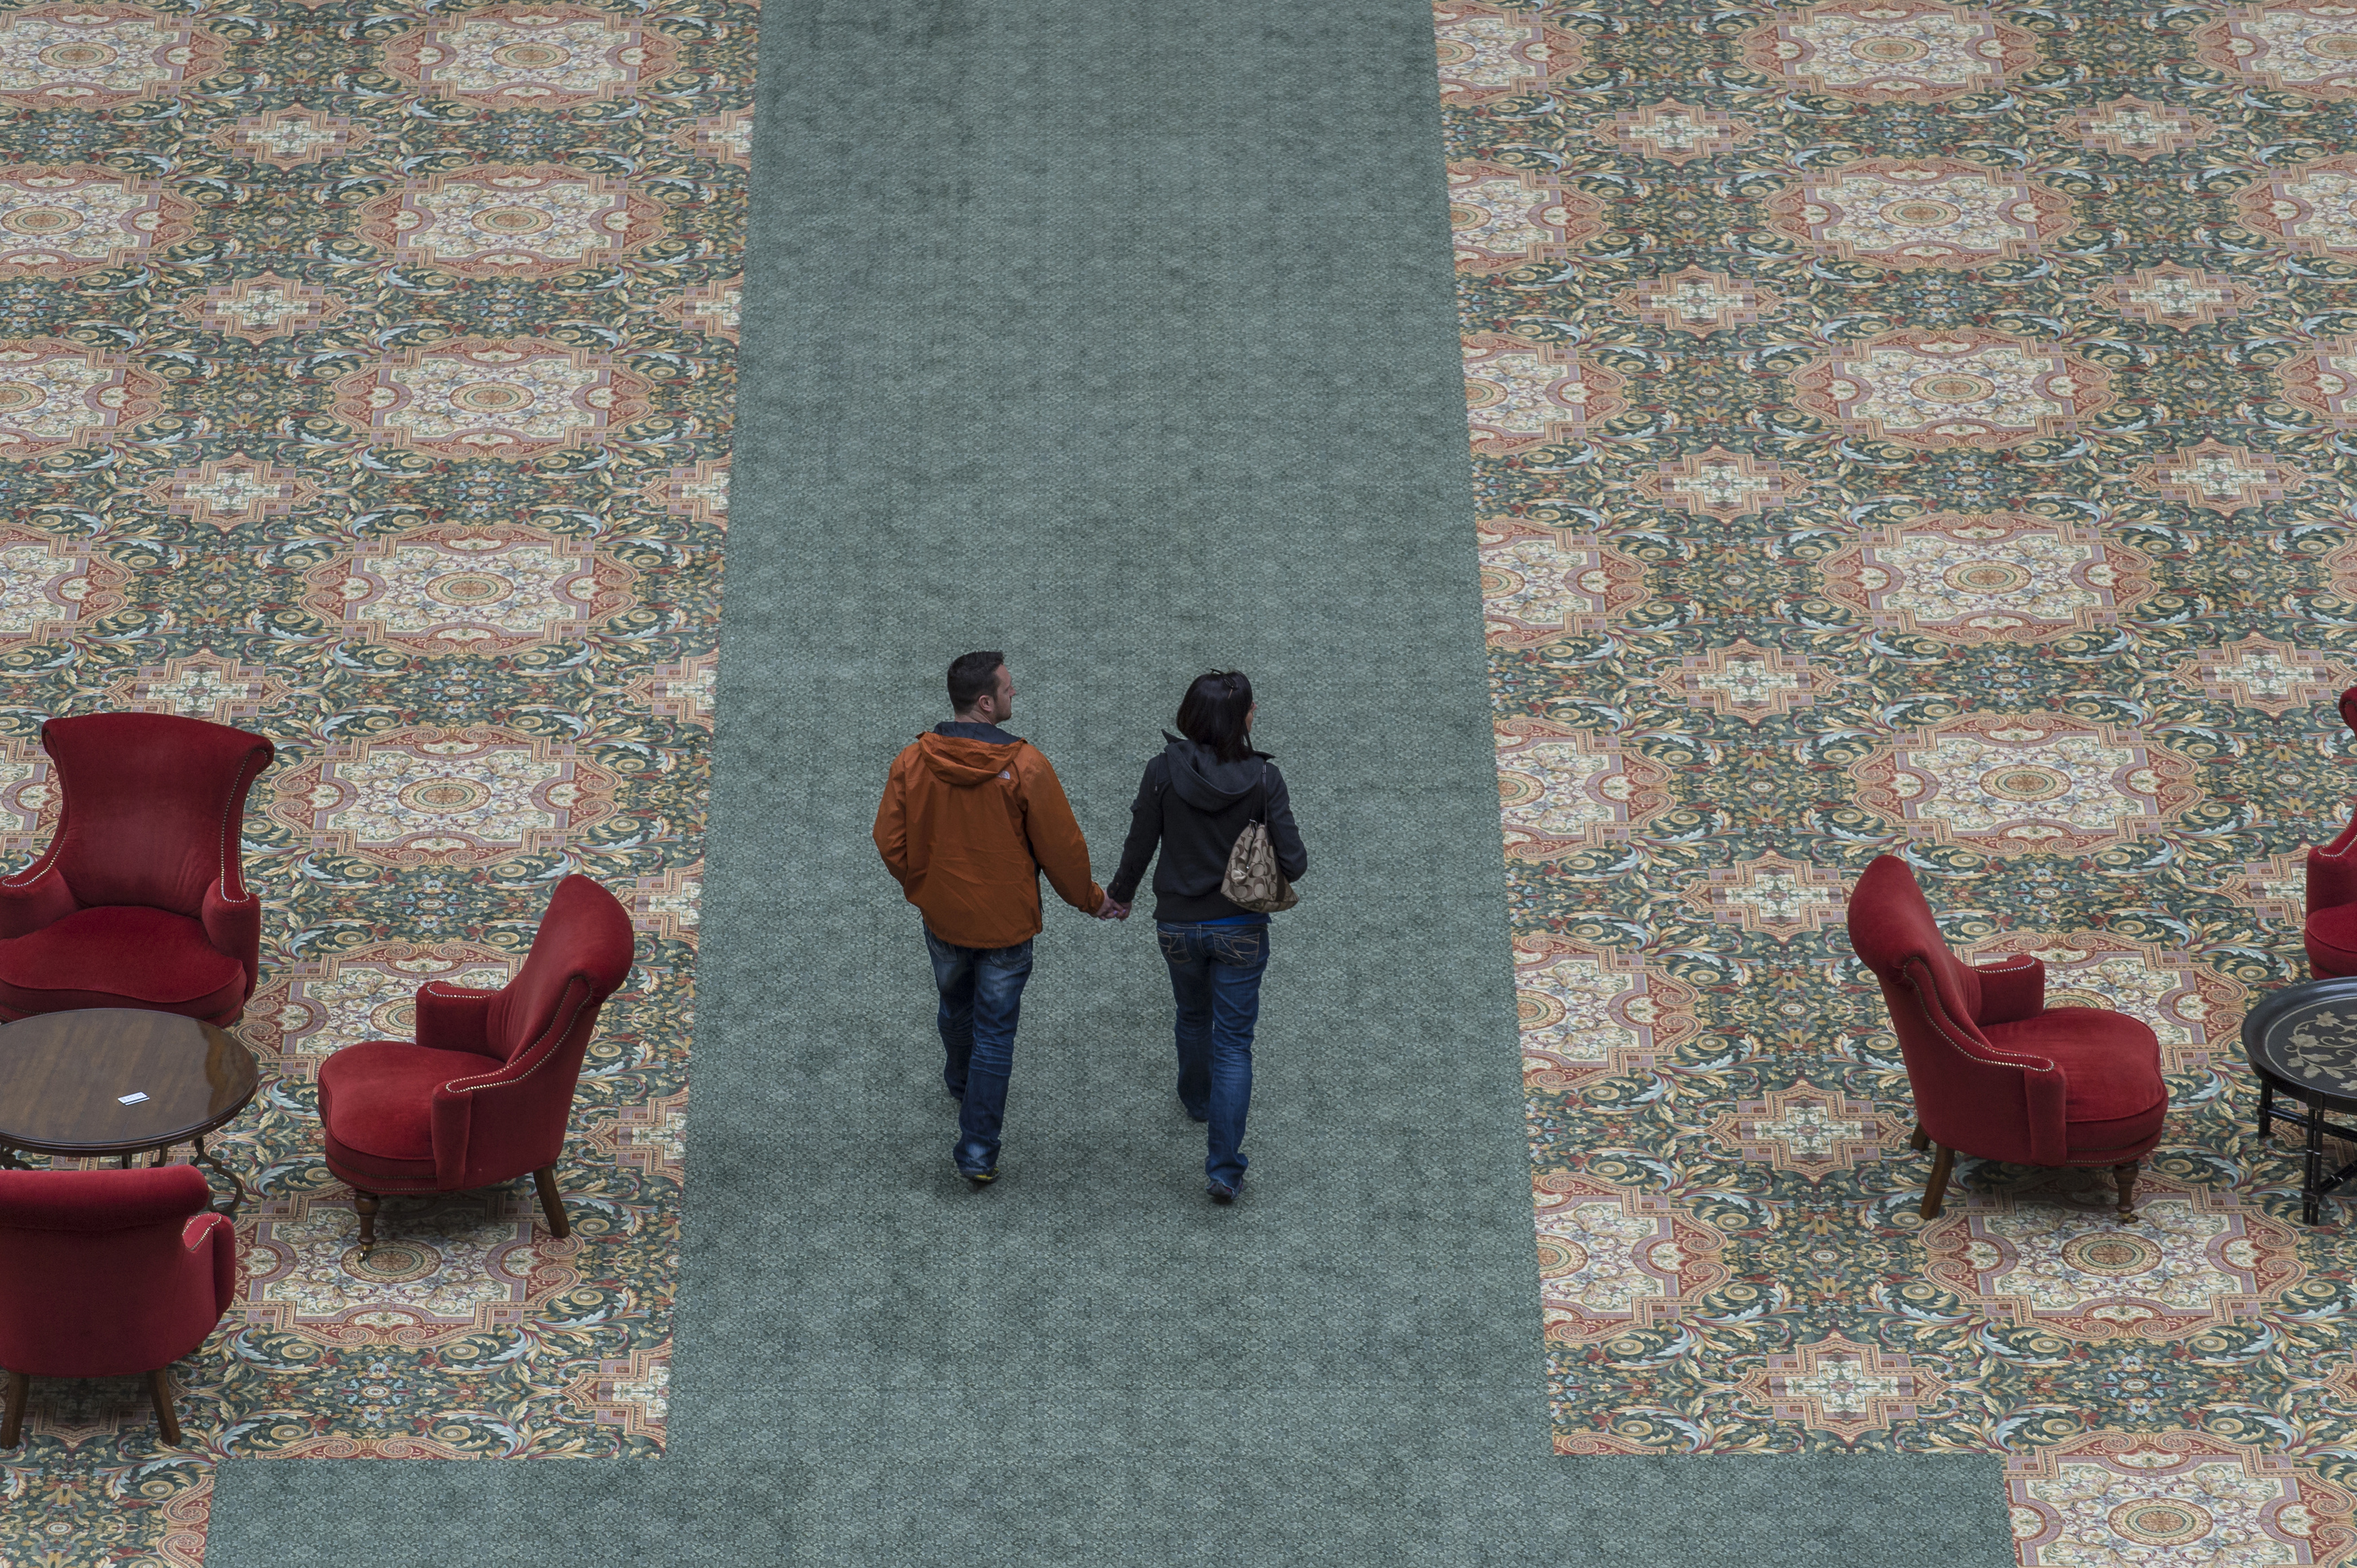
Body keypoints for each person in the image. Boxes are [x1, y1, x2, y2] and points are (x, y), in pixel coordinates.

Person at [873, 651, 1119, 1186]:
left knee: (954, 1005)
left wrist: (924, 887)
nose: (1014, 694)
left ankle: (959, 1079)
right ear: (985, 702)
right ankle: (978, 1150)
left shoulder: (912, 761)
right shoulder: (1026, 766)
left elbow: (889, 841)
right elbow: (1062, 849)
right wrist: (1091, 898)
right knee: (996, 1034)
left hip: (944, 918)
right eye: (1008, 689)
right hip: (1007, 928)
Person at [1105, 671, 1306, 1203]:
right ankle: (1223, 1170)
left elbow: (1139, 845)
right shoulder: (1264, 779)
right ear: (1239, 717)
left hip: (1176, 925)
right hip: (1240, 927)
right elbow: (1297, 862)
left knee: (1192, 1015)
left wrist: (1120, 895)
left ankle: (1196, 1099)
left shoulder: (1161, 773)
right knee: (1235, 1043)